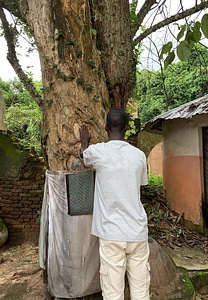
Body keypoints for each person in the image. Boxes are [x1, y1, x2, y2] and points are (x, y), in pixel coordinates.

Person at [79, 108, 150, 300]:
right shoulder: (139, 155)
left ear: (105, 128)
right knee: (141, 289)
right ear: (127, 128)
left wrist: (84, 142)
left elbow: (84, 157)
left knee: (112, 291)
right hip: (137, 231)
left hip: (111, 233)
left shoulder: (97, 151)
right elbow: (140, 187)